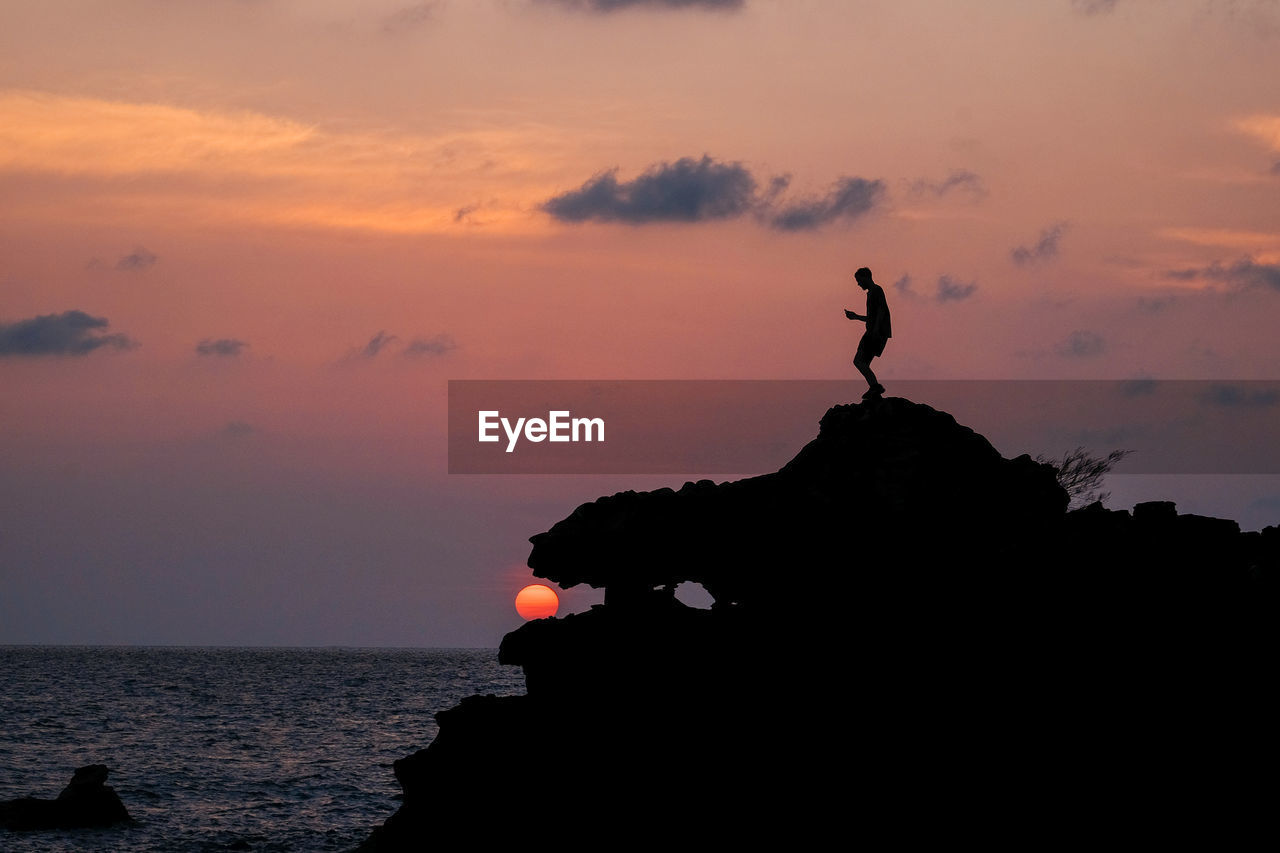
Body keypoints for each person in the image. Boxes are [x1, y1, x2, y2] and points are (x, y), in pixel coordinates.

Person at [844, 267, 891, 399]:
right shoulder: (871, 293)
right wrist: (856, 317)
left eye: (859, 280)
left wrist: (876, 330)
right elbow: (872, 316)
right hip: (873, 331)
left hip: (876, 332)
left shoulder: (877, 290)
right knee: (862, 362)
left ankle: (875, 387)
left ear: (866, 277)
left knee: (859, 361)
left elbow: (882, 311)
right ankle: (874, 388)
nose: (858, 284)